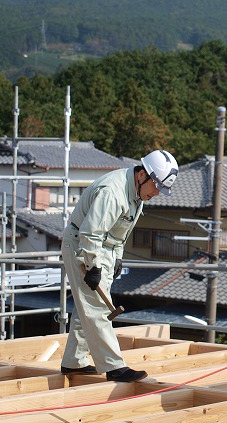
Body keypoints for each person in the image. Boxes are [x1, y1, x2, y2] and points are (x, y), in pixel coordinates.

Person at [60, 149, 179, 382]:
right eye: (155, 186)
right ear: (142, 174)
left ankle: (74, 361)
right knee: (97, 308)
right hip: (83, 246)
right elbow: (90, 234)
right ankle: (114, 367)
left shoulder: (137, 193)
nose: (156, 192)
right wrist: (92, 266)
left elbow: (119, 234)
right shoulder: (113, 192)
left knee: (87, 307)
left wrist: (117, 258)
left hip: (104, 249)